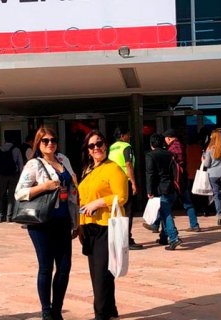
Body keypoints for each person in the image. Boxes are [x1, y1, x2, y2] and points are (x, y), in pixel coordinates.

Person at [14, 127, 79, 320]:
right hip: (42, 222)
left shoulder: (63, 160)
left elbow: (73, 191)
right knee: (45, 266)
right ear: (39, 144)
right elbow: (19, 193)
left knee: (65, 266)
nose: (50, 143)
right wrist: (44, 186)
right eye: (45, 141)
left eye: (53, 140)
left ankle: (57, 309)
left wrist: (76, 222)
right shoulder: (34, 164)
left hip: (63, 219)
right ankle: (46, 310)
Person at [79, 130, 127, 320]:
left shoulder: (113, 168)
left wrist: (97, 203)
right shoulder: (88, 169)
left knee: (101, 275)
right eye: (92, 145)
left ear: (105, 145)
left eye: (99, 143)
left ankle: (101, 315)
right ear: (88, 150)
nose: (96, 148)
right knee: (99, 273)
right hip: (89, 227)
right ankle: (110, 310)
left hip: (106, 226)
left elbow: (121, 196)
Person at [145, 133, 183, 250]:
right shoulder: (170, 154)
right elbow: (174, 171)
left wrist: (149, 190)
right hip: (171, 187)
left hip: (160, 190)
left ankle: (174, 238)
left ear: (151, 144)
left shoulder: (150, 155)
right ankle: (163, 237)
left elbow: (150, 174)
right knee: (164, 212)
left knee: (166, 214)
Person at [108, 127, 142, 250]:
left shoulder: (111, 148)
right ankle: (126, 239)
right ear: (122, 136)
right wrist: (133, 183)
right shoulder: (126, 147)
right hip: (124, 182)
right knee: (128, 212)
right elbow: (128, 164)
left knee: (118, 211)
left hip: (113, 183)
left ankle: (119, 238)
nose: (130, 137)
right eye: (128, 135)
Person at [163, 129, 201, 232]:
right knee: (187, 203)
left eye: (165, 138)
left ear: (169, 138)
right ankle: (194, 225)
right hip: (182, 179)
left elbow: (174, 164)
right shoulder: (180, 145)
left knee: (166, 203)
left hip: (176, 180)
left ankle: (155, 224)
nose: (165, 141)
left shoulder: (174, 147)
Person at [0, 132, 24, 223]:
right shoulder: (16, 150)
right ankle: (9, 216)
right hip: (13, 175)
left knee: (1, 195)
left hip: (2, 175)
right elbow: (20, 164)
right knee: (11, 196)